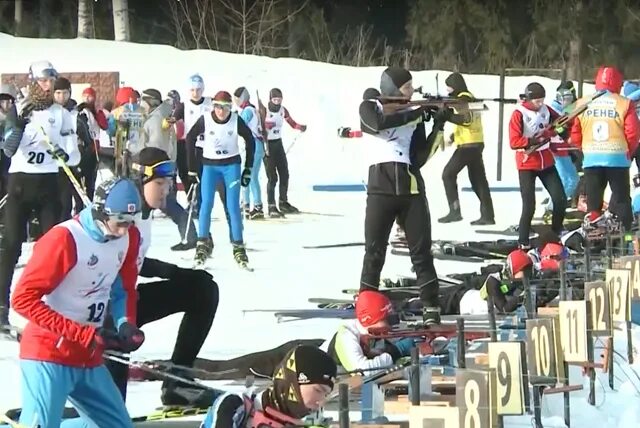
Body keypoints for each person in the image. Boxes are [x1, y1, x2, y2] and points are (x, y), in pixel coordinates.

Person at [10, 177, 144, 428]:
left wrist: (126, 324)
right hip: (48, 353)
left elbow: (123, 287)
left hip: (87, 356)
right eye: (119, 223)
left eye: (131, 222)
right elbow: (22, 299)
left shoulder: (129, 238)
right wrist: (82, 334)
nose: (125, 230)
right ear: (101, 213)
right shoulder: (64, 240)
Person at [106, 147, 220, 407]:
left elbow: (133, 262)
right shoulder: (120, 212)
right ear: (140, 179)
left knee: (203, 290)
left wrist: (176, 273)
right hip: (105, 311)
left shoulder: (144, 212)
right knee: (112, 410)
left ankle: (178, 381)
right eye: (160, 183)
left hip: (128, 301)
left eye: (168, 183)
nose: (167, 190)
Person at [357, 67, 445, 326]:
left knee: (421, 253)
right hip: (379, 191)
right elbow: (377, 124)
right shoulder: (369, 105)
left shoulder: (412, 116)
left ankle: (431, 305)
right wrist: (416, 112)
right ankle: (366, 302)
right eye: (407, 87)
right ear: (393, 89)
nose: (411, 92)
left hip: (411, 190)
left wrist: (437, 125)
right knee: (374, 252)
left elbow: (419, 158)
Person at [0, 60, 81, 328]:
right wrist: (19, 125)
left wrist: (64, 155)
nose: (47, 85)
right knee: (11, 244)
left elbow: (74, 155)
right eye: (43, 81)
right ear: (33, 81)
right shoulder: (20, 109)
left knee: (51, 247)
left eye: (51, 80)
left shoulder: (63, 113)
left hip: (48, 186)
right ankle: (2, 307)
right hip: (20, 184)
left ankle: (49, 307)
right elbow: (9, 150)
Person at [186, 91, 255, 268]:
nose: (221, 111)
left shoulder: (235, 119)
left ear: (230, 108)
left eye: (225, 108)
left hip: (231, 166)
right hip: (209, 166)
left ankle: (238, 246)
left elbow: (250, 140)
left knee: (232, 206)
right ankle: (202, 244)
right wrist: (192, 169)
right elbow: (189, 138)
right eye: (217, 107)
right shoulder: (205, 119)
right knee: (206, 204)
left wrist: (248, 168)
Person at [570, 66, 640, 232]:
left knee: (594, 199)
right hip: (617, 158)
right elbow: (633, 132)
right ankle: (626, 236)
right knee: (622, 198)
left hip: (592, 158)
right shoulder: (624, 103)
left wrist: (585, 148)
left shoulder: (582, 103)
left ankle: (594, 234)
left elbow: (575, 134)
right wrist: (627, 152)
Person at [200, 345, 337, 427]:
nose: (321, 401)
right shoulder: (234, 405)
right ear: (294, 381)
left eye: (326, 395)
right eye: (318, 390)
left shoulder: (305, 422)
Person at [509, 82, 567, 249]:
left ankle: (557, 232)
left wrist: (557, 131)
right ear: (528, 99)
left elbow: (561, 123)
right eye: (537, 101)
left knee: (560, 198)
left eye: (542, 100)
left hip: (546, 161)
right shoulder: (519, 114)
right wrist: (534, 140)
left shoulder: (547, 110)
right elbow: (514, 141)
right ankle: (523, 241)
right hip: (527, 163)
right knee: (529, 205)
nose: (540, 104)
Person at [137, 88, 197, 250]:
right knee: (147, 206)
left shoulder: (156, 120)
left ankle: (192, 237)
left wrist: (144, 162)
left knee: (167, 204)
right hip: (159, 168)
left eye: (143, 101)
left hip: (157, 170)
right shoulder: (159, 116)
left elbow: (156, 148)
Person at [438, 72, 495, 225]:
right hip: (474, 142)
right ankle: (488, 215)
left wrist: (446, 116)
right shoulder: (468, 97)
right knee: (478, 181)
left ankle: (455, 211)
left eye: (449, 87)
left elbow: (466, 120)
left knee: (448, 174)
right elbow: (467, 124)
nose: (448, 90)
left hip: (468, 146)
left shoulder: (464, 99)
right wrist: (453, 137)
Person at [261, 88, 307, 217]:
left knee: (284, 174)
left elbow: (291, 122)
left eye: (279, 100)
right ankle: (271, 205)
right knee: (272, 177)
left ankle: (283, 201)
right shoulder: (264, 110)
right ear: (270, 99)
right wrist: (265, 126)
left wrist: (300, 127)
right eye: (275, 100)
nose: (277, 102)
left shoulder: (282, 110)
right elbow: (259, 127)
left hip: (278, 143)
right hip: (267, 145)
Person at [52, 76, 90, 220]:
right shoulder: (48, 112)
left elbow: (86, 139)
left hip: (69, 164)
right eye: (58, 93)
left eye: (65, 93)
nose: (62, 97)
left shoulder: (75, 114)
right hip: (49, 166)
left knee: (66, 203)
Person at [542, 81, 580, 220]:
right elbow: (554, 129)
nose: (564, 100)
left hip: (564, 149)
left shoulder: (574, 107)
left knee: (571, 179)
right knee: (568, 180)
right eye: (561, 97)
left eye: (568, 97)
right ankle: (553, 208)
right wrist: (561, 131)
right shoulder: (555, 109)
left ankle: (555, 206)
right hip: (556, 150)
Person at [234, 86, 266, 220]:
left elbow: (238, 125)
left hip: (252, 145)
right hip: (256, 145)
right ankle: (247, 204)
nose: (236, 102)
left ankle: (254, 205)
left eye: (236, 99)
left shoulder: (247, 111)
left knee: (249, 176)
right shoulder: (252, 109)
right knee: (249, 175)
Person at [74, 87, 108, 212]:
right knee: (80, 177)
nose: (87, 99)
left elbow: (104, 125)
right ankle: (79, 205)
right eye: (85, 96)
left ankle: (89, 203)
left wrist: (97, 114)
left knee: (91, 180)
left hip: (94, 147)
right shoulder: (80, 111)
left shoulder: (96, 112)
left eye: (90, 97)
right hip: (83, 147)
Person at [107, 86, 143, 175]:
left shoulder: (116, 113)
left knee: (121, 175)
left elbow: (110, 131)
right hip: (140, 152)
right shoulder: (144, 112)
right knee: (137, 176)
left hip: (121, 150)